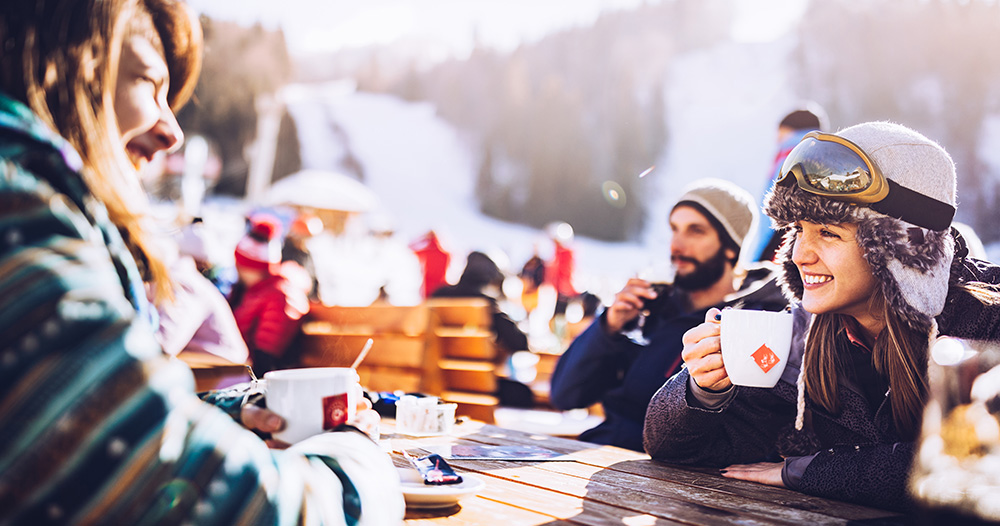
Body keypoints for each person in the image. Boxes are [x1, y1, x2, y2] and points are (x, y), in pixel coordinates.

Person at [0, 1, 404, 524]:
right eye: (149, 81)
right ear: (57, 60)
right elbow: (204, 502)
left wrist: (227, 415)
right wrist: (357, 464)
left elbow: (82, 435)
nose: (173, 132)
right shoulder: (18, 210)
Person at [643, 122, 1000, 512]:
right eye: (798, 229)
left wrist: (808, 472)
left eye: (828, 233)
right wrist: (702, 392)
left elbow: (972, 465)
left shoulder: (985, 323)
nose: (799, 254)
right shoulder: (802, 335)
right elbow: (673, 448)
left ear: (900, 250)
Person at [550, 179, 788, 451]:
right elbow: (565, 395)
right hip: (601, 455)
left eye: (695, 231)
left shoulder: (757, 321)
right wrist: (609, 326)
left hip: (673, 475)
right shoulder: (652, 309)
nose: (676, 245)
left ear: (731, 246)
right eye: (674, 230)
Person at [230, 213, 311, 375]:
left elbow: (266, 357)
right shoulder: (255, 290)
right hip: (240, 369)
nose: (236, 269)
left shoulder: (279, 294)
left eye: (239, 264)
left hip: (257, 379)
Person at [749, 104, 829, 263]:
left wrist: (763, 256)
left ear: (790, 130)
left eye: (780, 132)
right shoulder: (824, 154)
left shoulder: (792, 154)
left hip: (780, 238)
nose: (776, 138)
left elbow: (783, 205)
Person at [432, 251, 529, 358]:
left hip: (436, 367)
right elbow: (519, 342)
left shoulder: (438, 295)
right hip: (473, 371)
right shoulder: (486, 304)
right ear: (490, 277)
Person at [281, 211, 323, 301]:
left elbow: (314, 281)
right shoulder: (283, 251)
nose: (306, 240)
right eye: (304, 236)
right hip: (286, 300)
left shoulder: (307, 255)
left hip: (303, 302)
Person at [409, 229, 451, 298]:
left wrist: (423, 237)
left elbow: (409, 247)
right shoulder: (446, 254)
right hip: (441, 291)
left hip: (427, 292)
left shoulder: (424, 253)